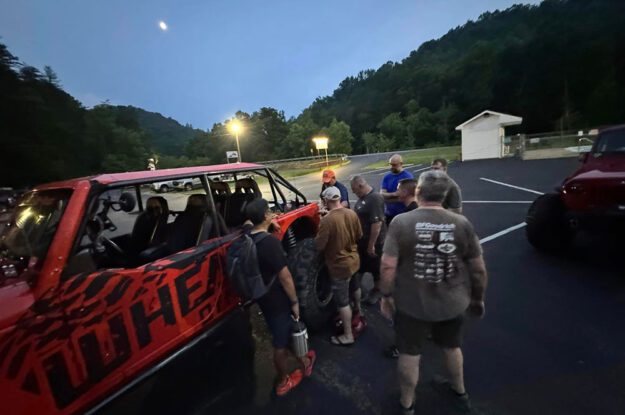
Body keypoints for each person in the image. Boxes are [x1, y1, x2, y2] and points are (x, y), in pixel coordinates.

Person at [379, 170, 488, 414]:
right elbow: (478, 270)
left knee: (409, 353)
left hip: (411, 305)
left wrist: (386, 295)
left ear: (418, 192)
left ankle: (407, 404)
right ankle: (460, 392)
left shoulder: (401, 223)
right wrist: (478, 299)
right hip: (452, 302)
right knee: (452, 347)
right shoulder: (462, 223)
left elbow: (387, 265)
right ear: (445, 195)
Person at [244, 199, 316, 397]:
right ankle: (284, 380)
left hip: (261, 295)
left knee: (279, 329)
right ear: (266, 216)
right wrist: (294, 302)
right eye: (270, 212)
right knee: (280, 342)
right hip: (277, 299)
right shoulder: (270, 244)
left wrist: (267, 225)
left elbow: (249, 224)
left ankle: (301, 358)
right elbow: (285, 277)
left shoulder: (247, 236)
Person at [314, 186, 363, 346]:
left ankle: (348, 335)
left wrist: (323, 223)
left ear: (327, 201)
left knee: (342, 303)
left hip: (339, 266)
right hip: (354, 259)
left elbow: (319, 246)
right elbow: (359, 235)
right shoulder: (351, 213)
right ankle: (359, 311)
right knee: (355, 287)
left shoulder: (327, 221)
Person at [383, 177, 418, 359]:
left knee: (403, 315)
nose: (395, 191)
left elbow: (392, 258)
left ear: (405, 192)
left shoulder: (404, 219)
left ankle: (401, 347)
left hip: (407, 276)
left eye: (398, 189)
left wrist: (387, 291)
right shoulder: (421, 213)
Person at [350, 175, 386, 305]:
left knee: (376, 270)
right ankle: (358, 291)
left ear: (360, 186)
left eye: (355, 191)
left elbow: (377, 224)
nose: (355, 194)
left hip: (374, 243)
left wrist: (371, 245)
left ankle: (377, 291)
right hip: (362, 242)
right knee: (361, 268)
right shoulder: (363, 198)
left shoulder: (375, 198)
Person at [380, 154, 414, 225]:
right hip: (389, 214)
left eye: (394, 165)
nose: (392, 167)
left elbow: (405, 197)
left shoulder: (407, 176)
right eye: (391, 165)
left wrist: (388, 198)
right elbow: (382, 194)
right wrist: (394, 194)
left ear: (401, 164)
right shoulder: (387, 177)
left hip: (403, 214)